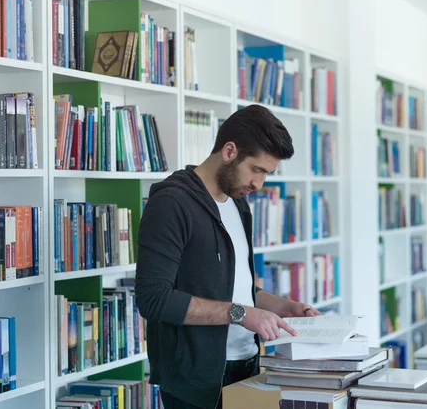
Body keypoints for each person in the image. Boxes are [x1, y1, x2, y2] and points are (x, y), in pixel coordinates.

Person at [135, 104, 321, 409]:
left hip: (248, 367)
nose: (259, 185)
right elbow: (153, 299)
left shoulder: (238, 204)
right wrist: (241, 313)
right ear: (230, 151)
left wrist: (286, 307)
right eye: (257, 170)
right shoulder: (171, 203)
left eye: (266, 174)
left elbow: (233, 287)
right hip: (196, 383)